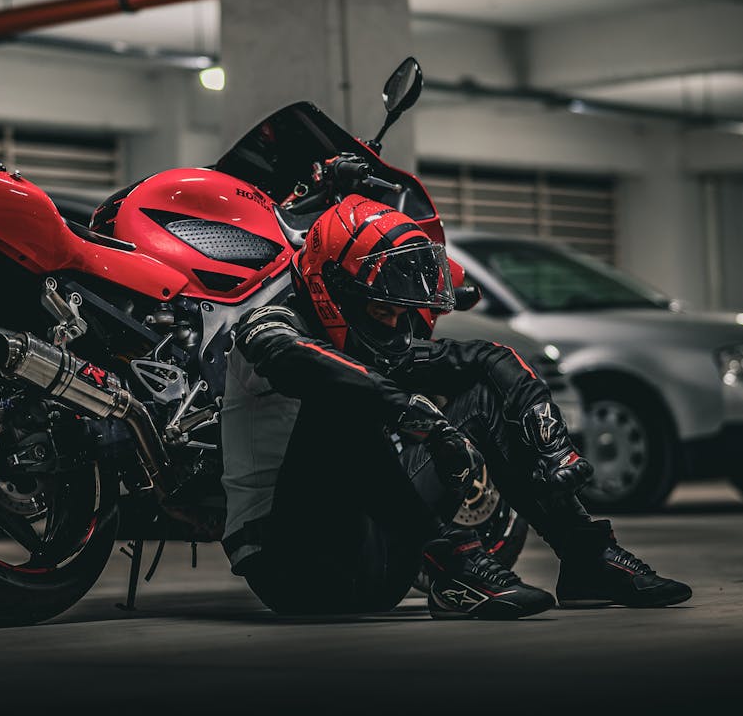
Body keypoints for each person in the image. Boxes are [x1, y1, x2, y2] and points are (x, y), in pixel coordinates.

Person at [219, 194, 691, 619]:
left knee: (484, 390)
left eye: (401, 311)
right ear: (336, 287)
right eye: (384, 309)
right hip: (296, 569)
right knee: (343, 397)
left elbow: (488, 359)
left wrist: (550, 439)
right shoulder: (269, 323)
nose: (397, 322)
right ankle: (456, 566)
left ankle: (586, 557)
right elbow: (298, 361)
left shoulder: (366, 337)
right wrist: (417, 415)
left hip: (380, 563)